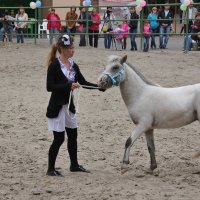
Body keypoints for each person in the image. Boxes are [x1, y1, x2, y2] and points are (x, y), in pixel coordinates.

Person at [46, 34, 104, 176]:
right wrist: (68, 85)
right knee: (59, 139)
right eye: (71, 48)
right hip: (57, 107)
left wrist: (98, 87)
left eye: (73, 47)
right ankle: (50, 169)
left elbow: (83, 82)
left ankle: (74, 165)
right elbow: (49, 87)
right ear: (63, 49)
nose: (73, 50)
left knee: (73, 136)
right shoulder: (54, 65)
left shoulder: (73, 65)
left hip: (69, 106)